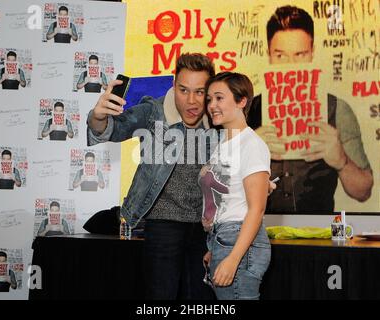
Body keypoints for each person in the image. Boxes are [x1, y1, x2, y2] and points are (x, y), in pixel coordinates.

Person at [87, 53, 218, 300]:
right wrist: (98, 116)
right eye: (183, 90)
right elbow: (111, 129)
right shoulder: (154, 111)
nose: (191, 100)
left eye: (200, 92)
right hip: (162, 225)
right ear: (173, 86)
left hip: (206, 229)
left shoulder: (218, 120)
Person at [247, 5, 373, 213]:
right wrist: (249, 149)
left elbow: (363, 192)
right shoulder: (247, 109)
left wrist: (342, 161)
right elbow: (219, 187)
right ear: (268, 54)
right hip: (260, 232)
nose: (291, 65)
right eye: (280, 56)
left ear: (312, 53)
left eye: (300, 54)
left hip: (317, 234)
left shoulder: (338, 109)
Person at [199, 72, 271, 300]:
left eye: (220, 98)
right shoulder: (224, 143)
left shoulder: (251, 144)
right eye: (209, 99)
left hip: (239, 243)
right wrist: (216, 247)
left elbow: (256, 209)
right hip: (224, 239)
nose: (212, 105)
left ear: (242, 101)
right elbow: (226, 200)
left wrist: (232, 258)